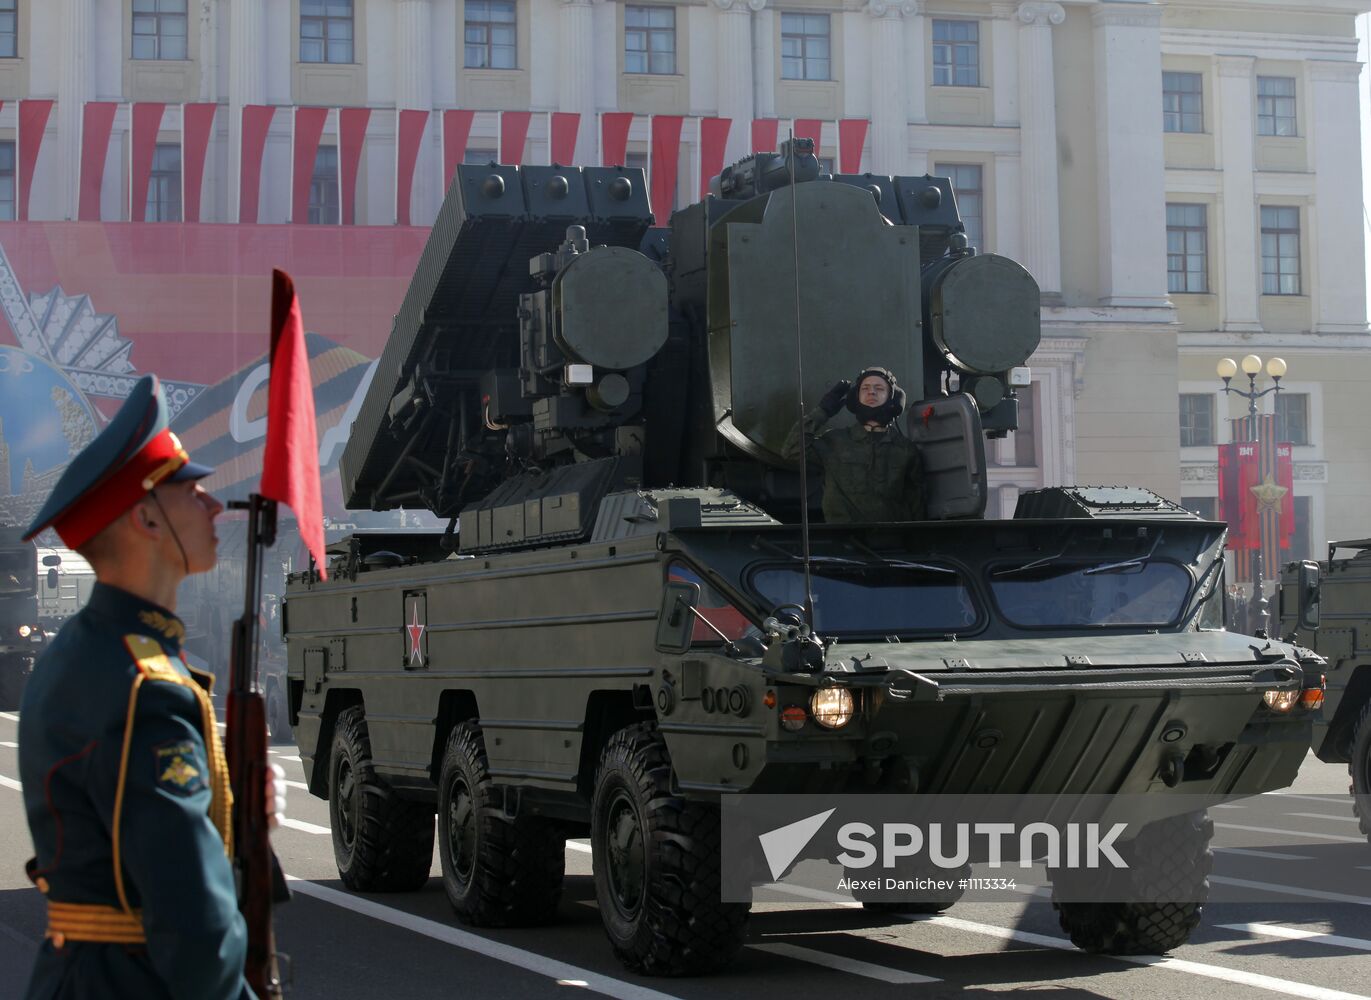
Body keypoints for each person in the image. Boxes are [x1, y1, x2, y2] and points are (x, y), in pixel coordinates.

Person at [17, 374, 277, 1000]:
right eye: (191, 491)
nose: (215, 505)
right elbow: (195, 926)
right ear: (147, 519)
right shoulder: (146, 686)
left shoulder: (89, 655)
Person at [783, 366, 926, 523]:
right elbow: (792, 451)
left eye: (879, 388)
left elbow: (916, 503)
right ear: (856, 397)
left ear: (892, 397)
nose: (872, 392)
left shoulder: (905, 449)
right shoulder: (835, 441)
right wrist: (822, 412)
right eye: (865, 388)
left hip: (891, 540)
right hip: (844, 540)